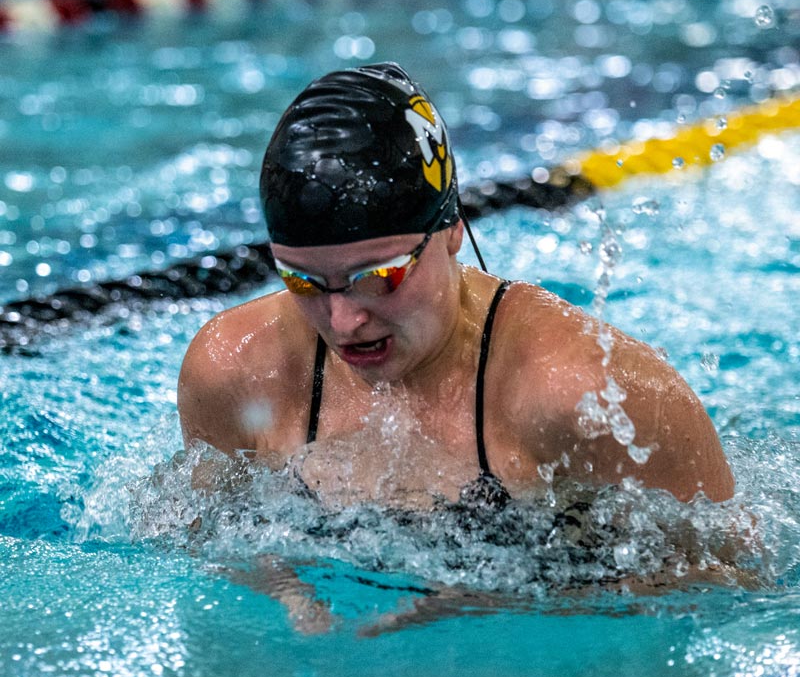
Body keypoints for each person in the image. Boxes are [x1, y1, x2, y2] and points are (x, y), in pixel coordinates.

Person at [178, 61, 734, 508]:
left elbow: (723, 586)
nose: (343, 321)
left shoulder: (586, 396)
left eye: (377, 278)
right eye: (303, 282)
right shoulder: (236, 372)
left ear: (451, 234)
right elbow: (209, 552)